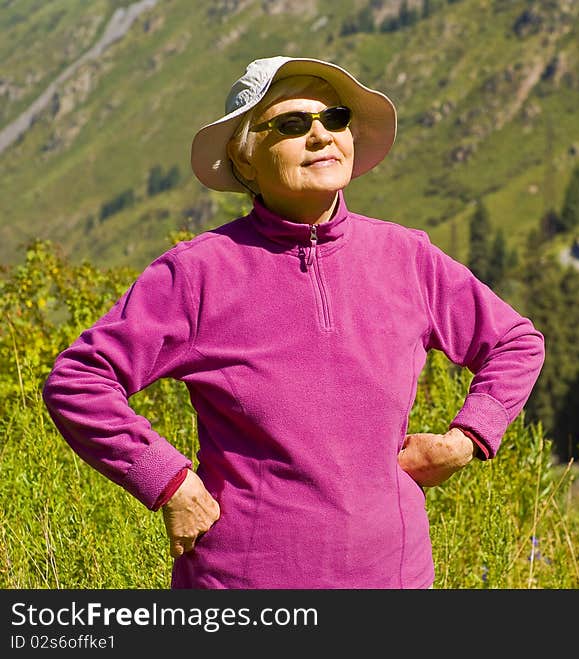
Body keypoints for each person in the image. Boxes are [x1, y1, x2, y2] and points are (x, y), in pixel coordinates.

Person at [42, 56, 545, 589]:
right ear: (247, 159)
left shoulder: (406, 256)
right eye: (291, 124)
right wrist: (169, 482)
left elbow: (515, 342)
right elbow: (79, 382)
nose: (321, 134)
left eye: (335, 117)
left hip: (395, 577)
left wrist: (466, 438)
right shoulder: (197, 272)